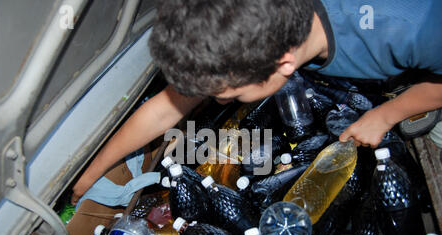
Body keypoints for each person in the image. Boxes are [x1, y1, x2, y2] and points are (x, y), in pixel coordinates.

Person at [71, 0, 442, 205]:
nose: (217, 101)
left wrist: (386, 114)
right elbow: (167, 108)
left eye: (227, 96)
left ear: (284, 64)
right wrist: (88, 174)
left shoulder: (412, 27)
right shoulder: (248, 29)